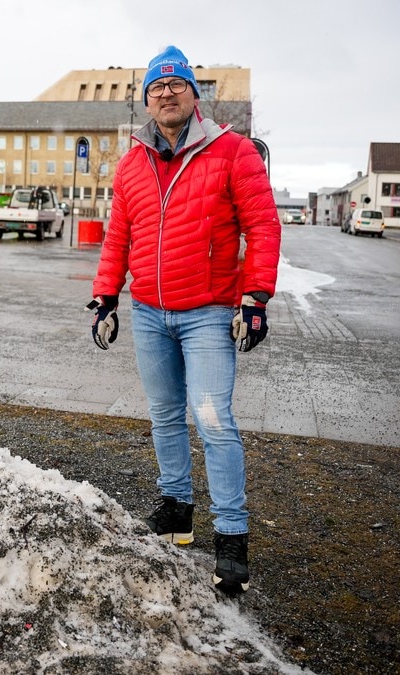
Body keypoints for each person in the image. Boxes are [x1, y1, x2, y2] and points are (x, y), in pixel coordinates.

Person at [88, 45, 281, 595]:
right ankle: (176, 512)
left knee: (213, 418)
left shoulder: (232, 151)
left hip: (209, 313)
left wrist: (256, 298)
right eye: (156, 87)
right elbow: (119, 237)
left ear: (195, 95)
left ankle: (232, 539)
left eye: (175, 84)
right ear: (146, 99)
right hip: (150, 311)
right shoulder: (131, 164)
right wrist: (106, 296)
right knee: (165, 414)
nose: (166, 93)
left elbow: (263, 227)